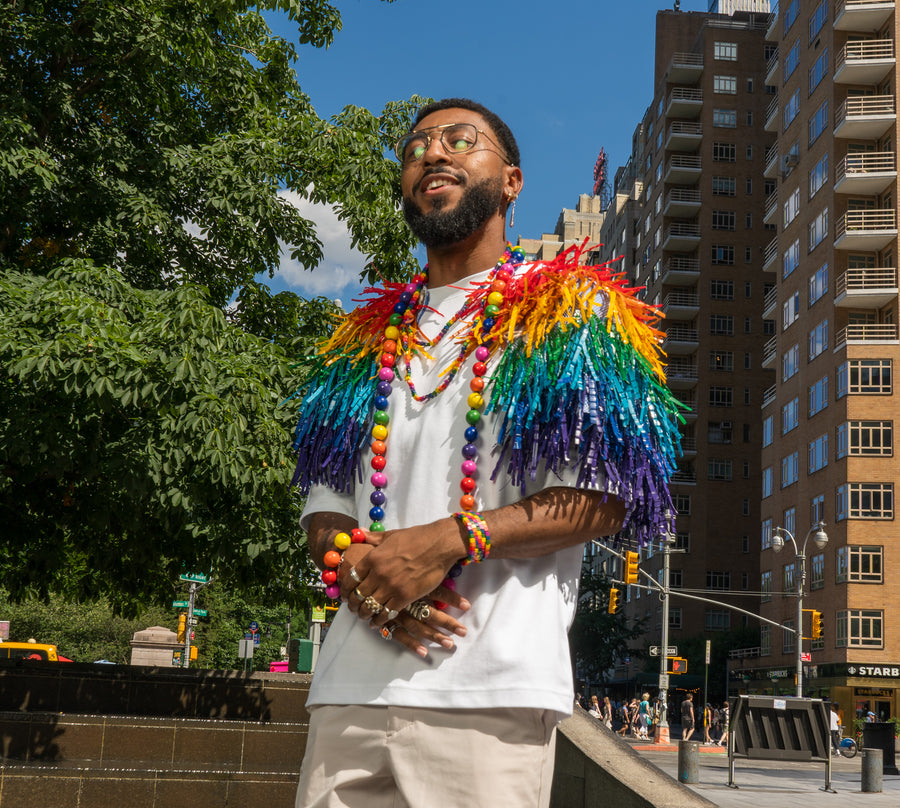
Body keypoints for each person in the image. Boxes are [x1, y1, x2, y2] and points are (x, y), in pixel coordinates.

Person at [289, 97, 680, 807]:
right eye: (416, 148)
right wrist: (370, 584)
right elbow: (324, 512)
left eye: (461, 140)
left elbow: (599, 502)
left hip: (488, 696)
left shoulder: (575, 316)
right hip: (347, 690)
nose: (432, 154)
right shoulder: (357, 341)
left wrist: (448, 540)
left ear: (512, 182)